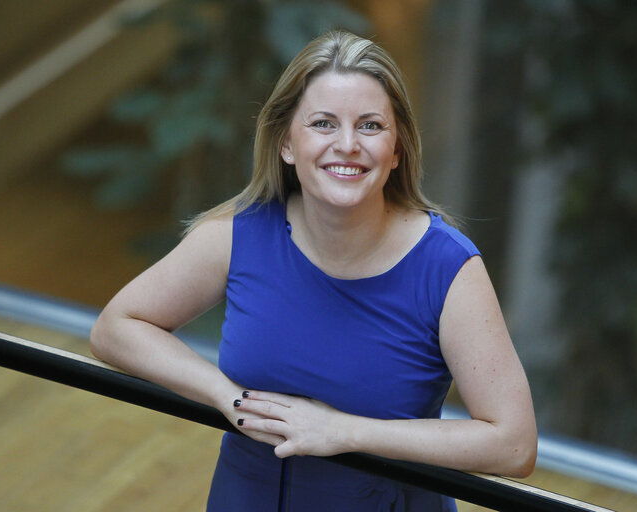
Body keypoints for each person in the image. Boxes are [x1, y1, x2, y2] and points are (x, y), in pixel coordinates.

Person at [90, 30, 537, 511]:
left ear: (397, 150)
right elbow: (116, 328)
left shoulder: (447, 267)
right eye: (323, 123)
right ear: (286, 143)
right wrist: (228, 397)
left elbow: (513, 444)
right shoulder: (240, 235)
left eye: (370, 126)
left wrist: (342, 431)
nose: (347, 145)